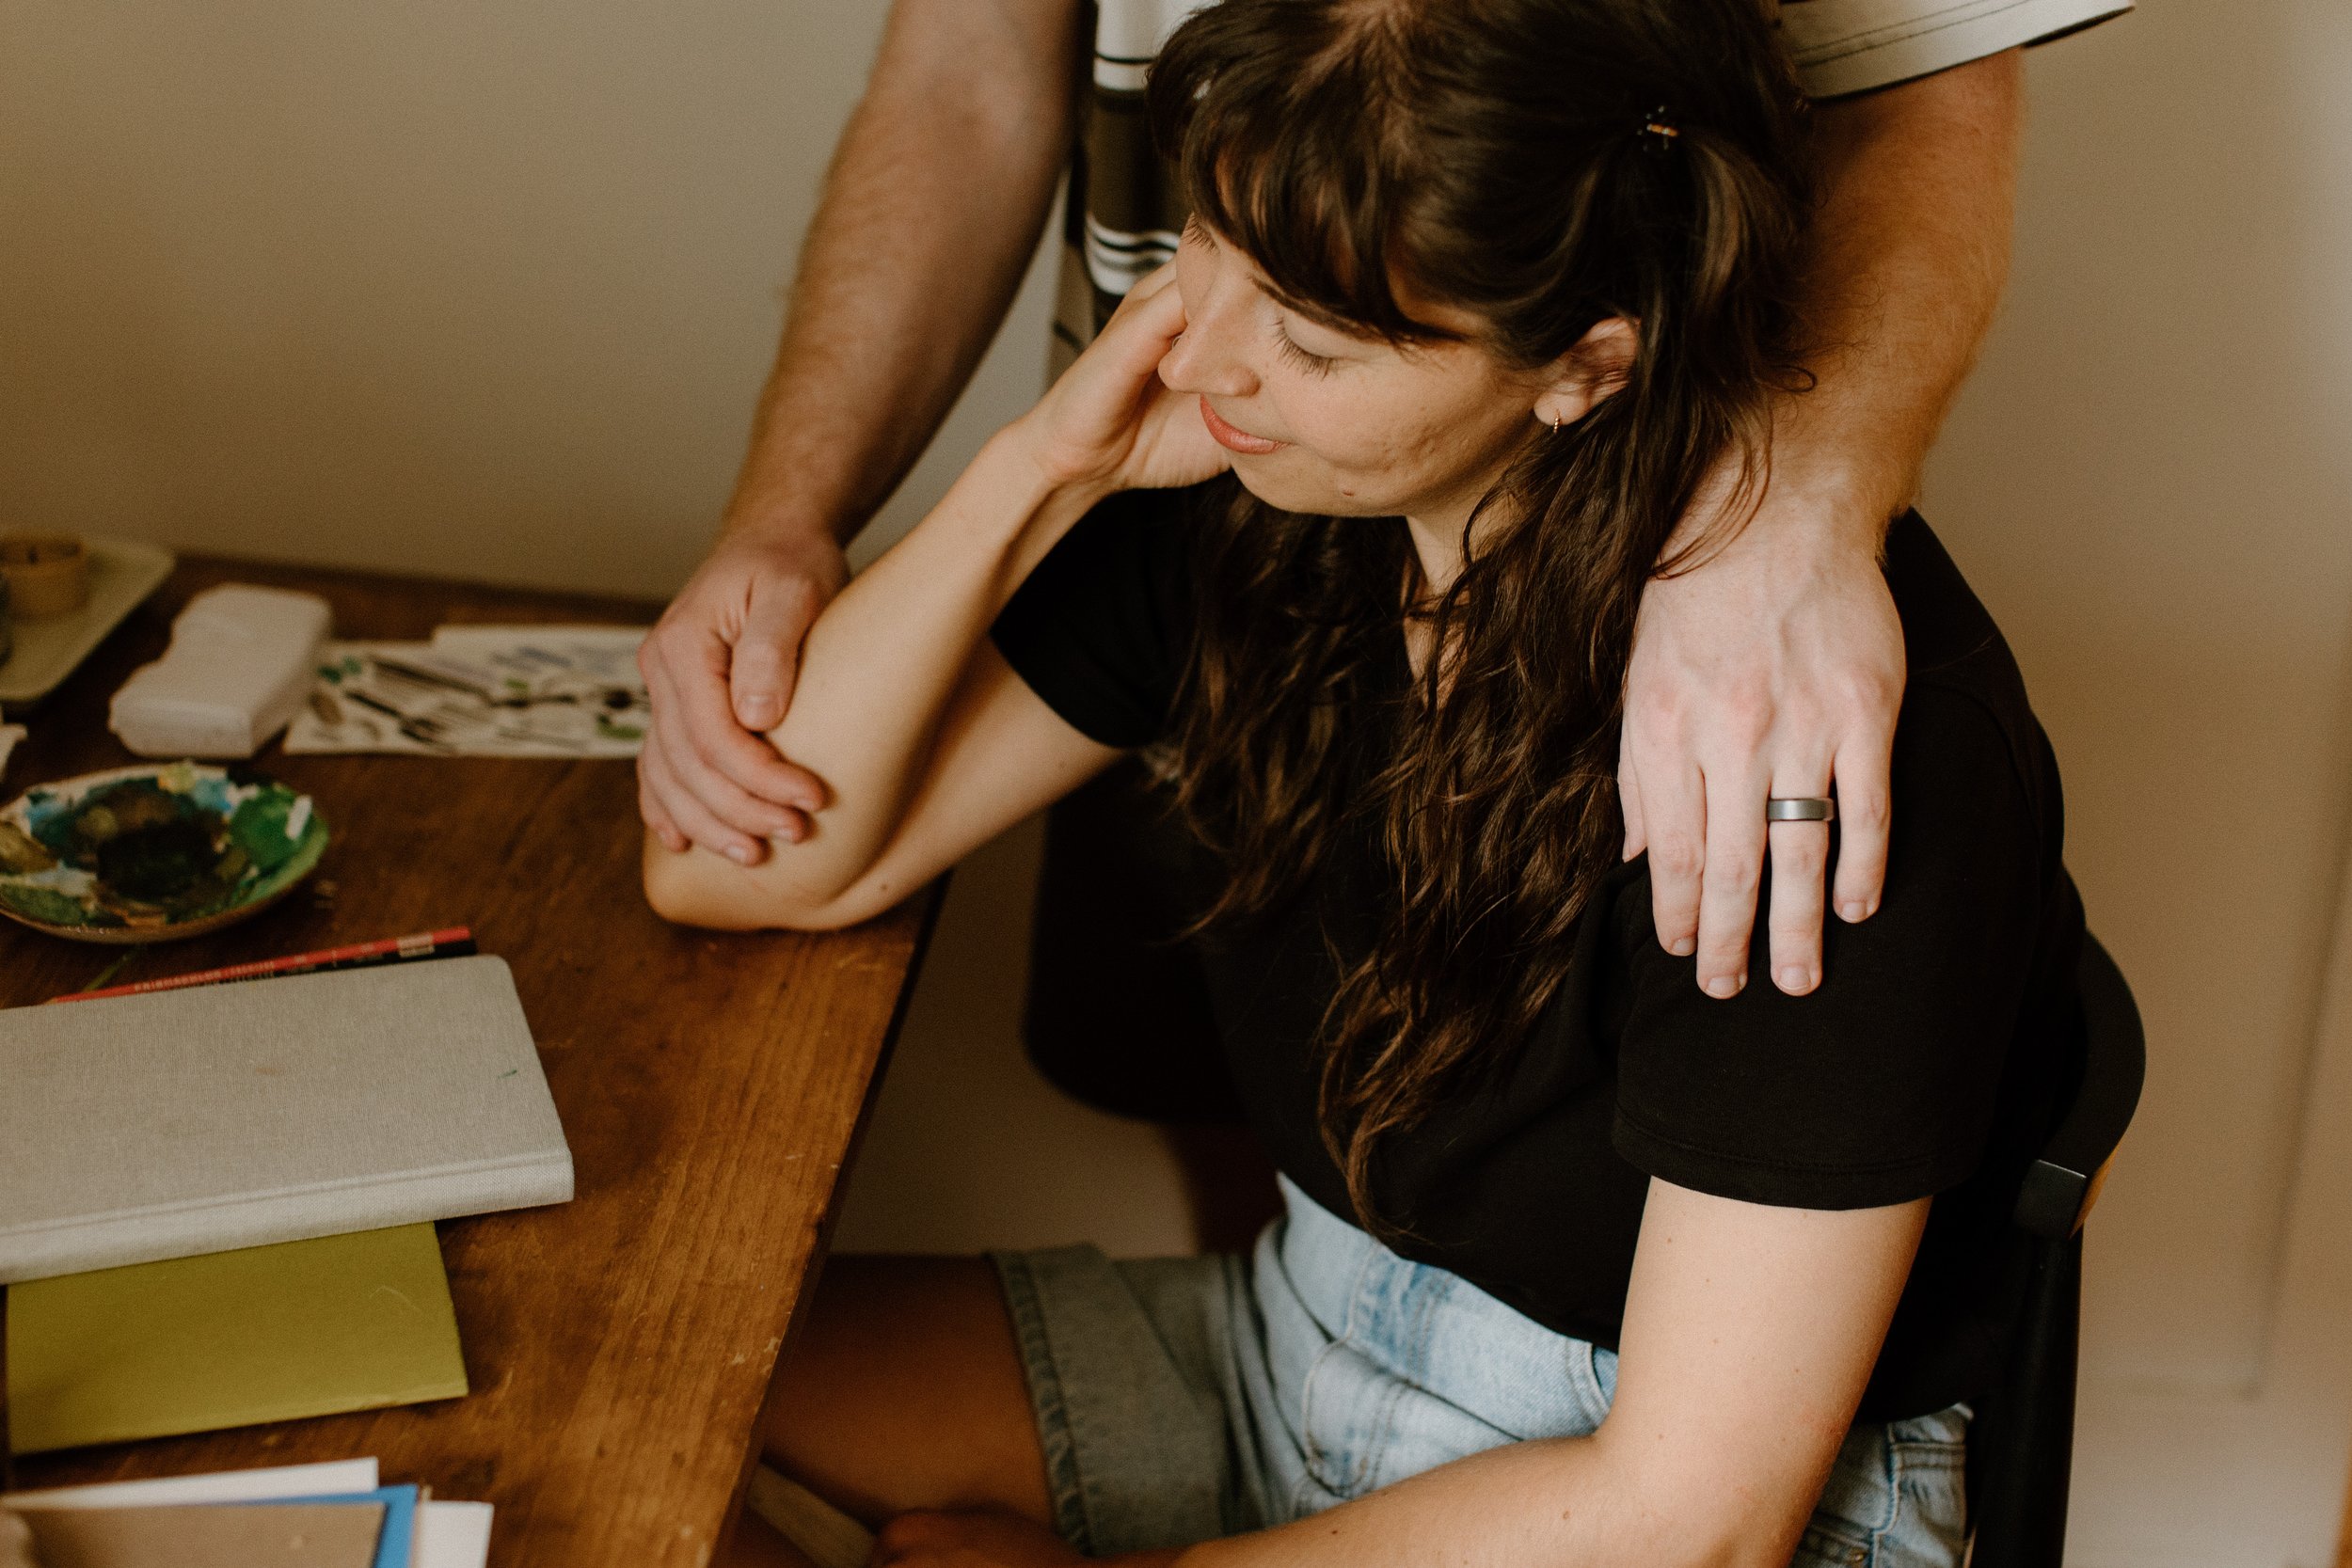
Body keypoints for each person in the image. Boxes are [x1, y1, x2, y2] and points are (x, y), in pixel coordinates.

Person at [642, 1, 2087, 1562]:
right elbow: (741, 862)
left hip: (1635, 1485)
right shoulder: (1257, 487)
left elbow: (1687, 1517)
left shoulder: (1799, 732)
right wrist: (1039, 465)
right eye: (1208, 242)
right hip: (1301, 1345)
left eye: (1317, 343)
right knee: (649, 1383)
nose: (1206, 353)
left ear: (1584, 362)